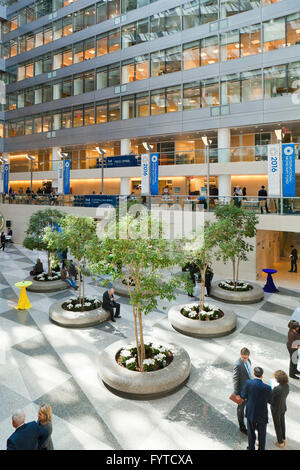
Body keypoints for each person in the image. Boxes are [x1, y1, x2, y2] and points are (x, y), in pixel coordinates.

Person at [241, 366, 272, 451]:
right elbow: (270, 401)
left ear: (254, 374)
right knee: (262, 433)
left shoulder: (248, 383)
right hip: (262, 414)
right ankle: (261, 448)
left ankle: (251, 447)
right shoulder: (267, 387)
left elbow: (243, 396)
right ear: (262, 375)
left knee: (251, 432)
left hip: (251, 412)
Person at [232, 347, 252, 435]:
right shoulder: (237, 364)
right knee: (240, 409)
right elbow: (235, 379)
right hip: (241, 392)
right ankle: (242, 427)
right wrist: (237, 394)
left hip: (248, 389)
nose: (245, 359)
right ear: (240, 355)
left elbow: (249, 373)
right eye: (243, 357)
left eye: (246, 357)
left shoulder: (249, 361)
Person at [271, 370, 289, 448]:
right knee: (282, 422)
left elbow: (271, 399)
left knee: (277, 424)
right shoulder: (287, 386)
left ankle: (280, 442)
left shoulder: (276, 389)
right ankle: (283, 438)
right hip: (283, 407)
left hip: (276, 409)